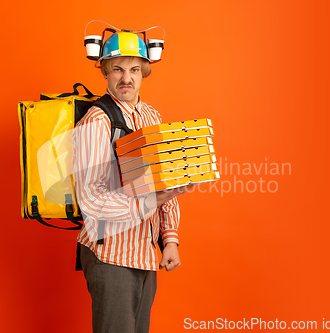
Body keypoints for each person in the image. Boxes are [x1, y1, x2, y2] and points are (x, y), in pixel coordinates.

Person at [73, 31, 192, 333]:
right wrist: (151, 201)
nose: (126, 78)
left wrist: (170, 240)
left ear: (144, 73)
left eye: (134, 69)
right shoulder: (95, 122)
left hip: (145, 253)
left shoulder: (152, 116)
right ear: (105, 71)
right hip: (109, 254)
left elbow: (165, 182)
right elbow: (91, 200)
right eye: (118, 69)